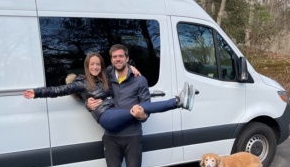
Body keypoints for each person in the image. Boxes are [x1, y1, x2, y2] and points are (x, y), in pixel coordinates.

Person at [86, 45, 195, 167]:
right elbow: (85, 82)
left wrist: (142, 116)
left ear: (127, 58)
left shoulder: (140, 80)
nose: (118, 59)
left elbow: (147, 108)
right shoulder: (106, 78)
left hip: (132, 135)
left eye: (121, 56)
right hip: (111, 137)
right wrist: (87, 102)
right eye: (114, 57)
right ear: (111, 60)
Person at [23, 52, 195, 133]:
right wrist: (37, 92)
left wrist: (132, 66)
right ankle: (178, 102)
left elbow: (121, 64)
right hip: (106, 117)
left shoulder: (106, 77)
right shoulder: (81, 82)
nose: (95, 67)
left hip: (114, 112)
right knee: (138, 108)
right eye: (92, 64)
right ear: (87, 66)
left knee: (141, 107)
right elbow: (58, 90)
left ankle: (180, 102)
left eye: (98, 64)